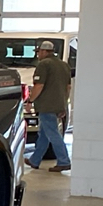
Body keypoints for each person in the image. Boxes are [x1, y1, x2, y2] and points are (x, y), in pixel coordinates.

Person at [28, 40, 72, 172]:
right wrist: (63, 104)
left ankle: (64, 161)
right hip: (59, 104)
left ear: (43, 51)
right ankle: (34, 160)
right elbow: (68, 87)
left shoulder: (44, 64)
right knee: (44, 134)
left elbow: (39, 85)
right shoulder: (64, 65)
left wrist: (30, 101)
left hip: (46, 105)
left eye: (38, 52)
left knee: (52, 133)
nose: (38, 55)